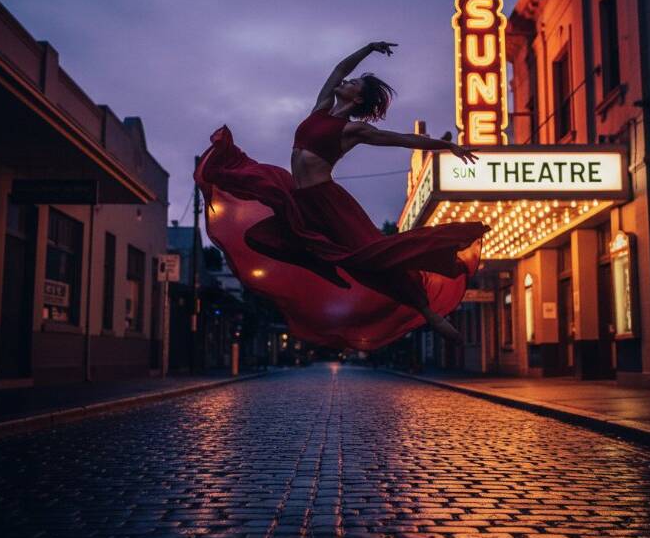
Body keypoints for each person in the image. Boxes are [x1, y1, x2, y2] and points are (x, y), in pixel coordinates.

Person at [194, 41, 490, 351]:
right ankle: (320, 260)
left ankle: (427, 310)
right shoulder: (321, 108)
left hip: (327, 203)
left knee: (372, 258)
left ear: (357, 98)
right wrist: (368, 48)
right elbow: (339, 69)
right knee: (258, 234)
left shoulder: (353, 130)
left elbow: (400, 139)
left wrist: (448, 146)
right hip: (297, 196)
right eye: (350, 80)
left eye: (353, 83)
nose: (346, 81)